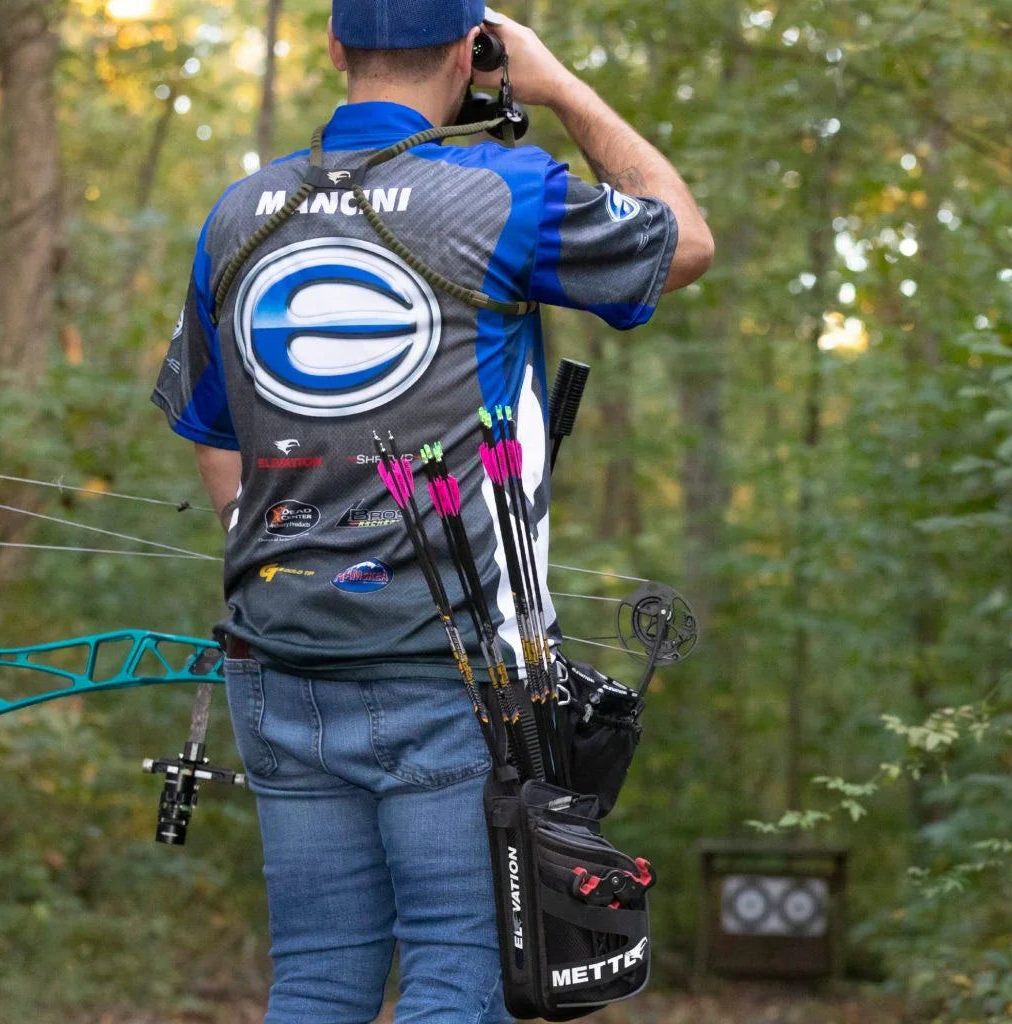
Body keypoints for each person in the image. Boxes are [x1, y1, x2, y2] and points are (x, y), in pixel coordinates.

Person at [151, 2, 713, 1021]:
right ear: (473, 53)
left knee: (317, 974)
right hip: (453, 681)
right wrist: (562, 89)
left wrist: (304, 570)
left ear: (333, 49)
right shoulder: (504, 193)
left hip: (277, 664)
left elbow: (215, 434)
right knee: (463, 974)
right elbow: (684, 243)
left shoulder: (239, 214)